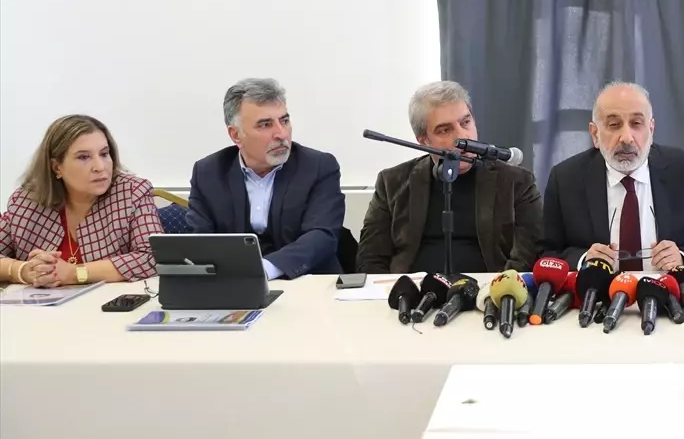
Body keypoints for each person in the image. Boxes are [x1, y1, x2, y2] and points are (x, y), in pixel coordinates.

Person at [540, 82, 684, 272]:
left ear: (651, 130)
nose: (627, 138)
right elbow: (545, 253)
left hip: (672, 292)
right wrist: (583, 260)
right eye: (614, 124)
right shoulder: (566, 179)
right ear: (595, 134)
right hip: (597, 293)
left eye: (636, 124)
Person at [356, 81, 542, 274]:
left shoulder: (517, 182)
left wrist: (498, 288)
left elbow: (527, 257)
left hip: (489, 289)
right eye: (445, 130)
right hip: (411, 289)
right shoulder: (392, 183)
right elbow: (370, 258)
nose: (462, 137)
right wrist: (390, 290)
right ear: (423, 141)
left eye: (465, 122)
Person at [187, 78, 345, 279]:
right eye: (265, 125)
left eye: (284, 121)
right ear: (236, 135)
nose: (281, 134)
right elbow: (199, 241)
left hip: (308, 283)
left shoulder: (318, 166)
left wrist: (264, 269)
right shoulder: (208, 173)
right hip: (235, 285)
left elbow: (321, 236)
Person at [0, 115, 163, 285]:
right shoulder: (26, 201)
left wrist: (75, 273)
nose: (100, 167)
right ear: (57, 167)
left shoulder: (131, 192)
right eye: (84, 157)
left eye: (104, 154)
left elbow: (153, 257)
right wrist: (22, 271)